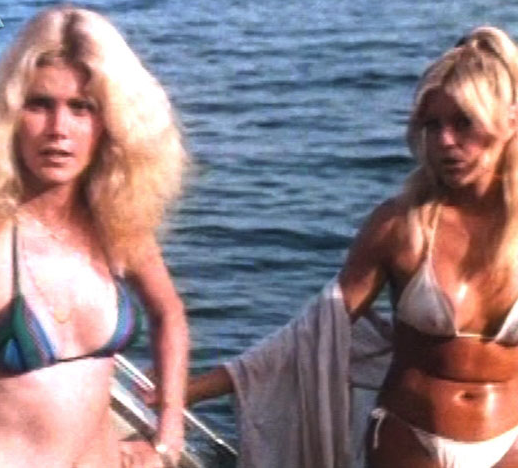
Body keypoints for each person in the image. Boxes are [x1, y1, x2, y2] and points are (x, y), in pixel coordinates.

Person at [151, 26, 518, 468]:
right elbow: (313, 334)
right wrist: (190, 390)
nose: (445, 142)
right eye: (432, 125)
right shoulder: (400, 226)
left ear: (509, 123)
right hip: (412, 439)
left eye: (463, 123)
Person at [0, 5, 189, 468]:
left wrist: (168, 437)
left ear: (110, 123)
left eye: (81, 108)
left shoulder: (116, 226)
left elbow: (169, 314)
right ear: (8, 117)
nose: (58, 130)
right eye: (39, 105)